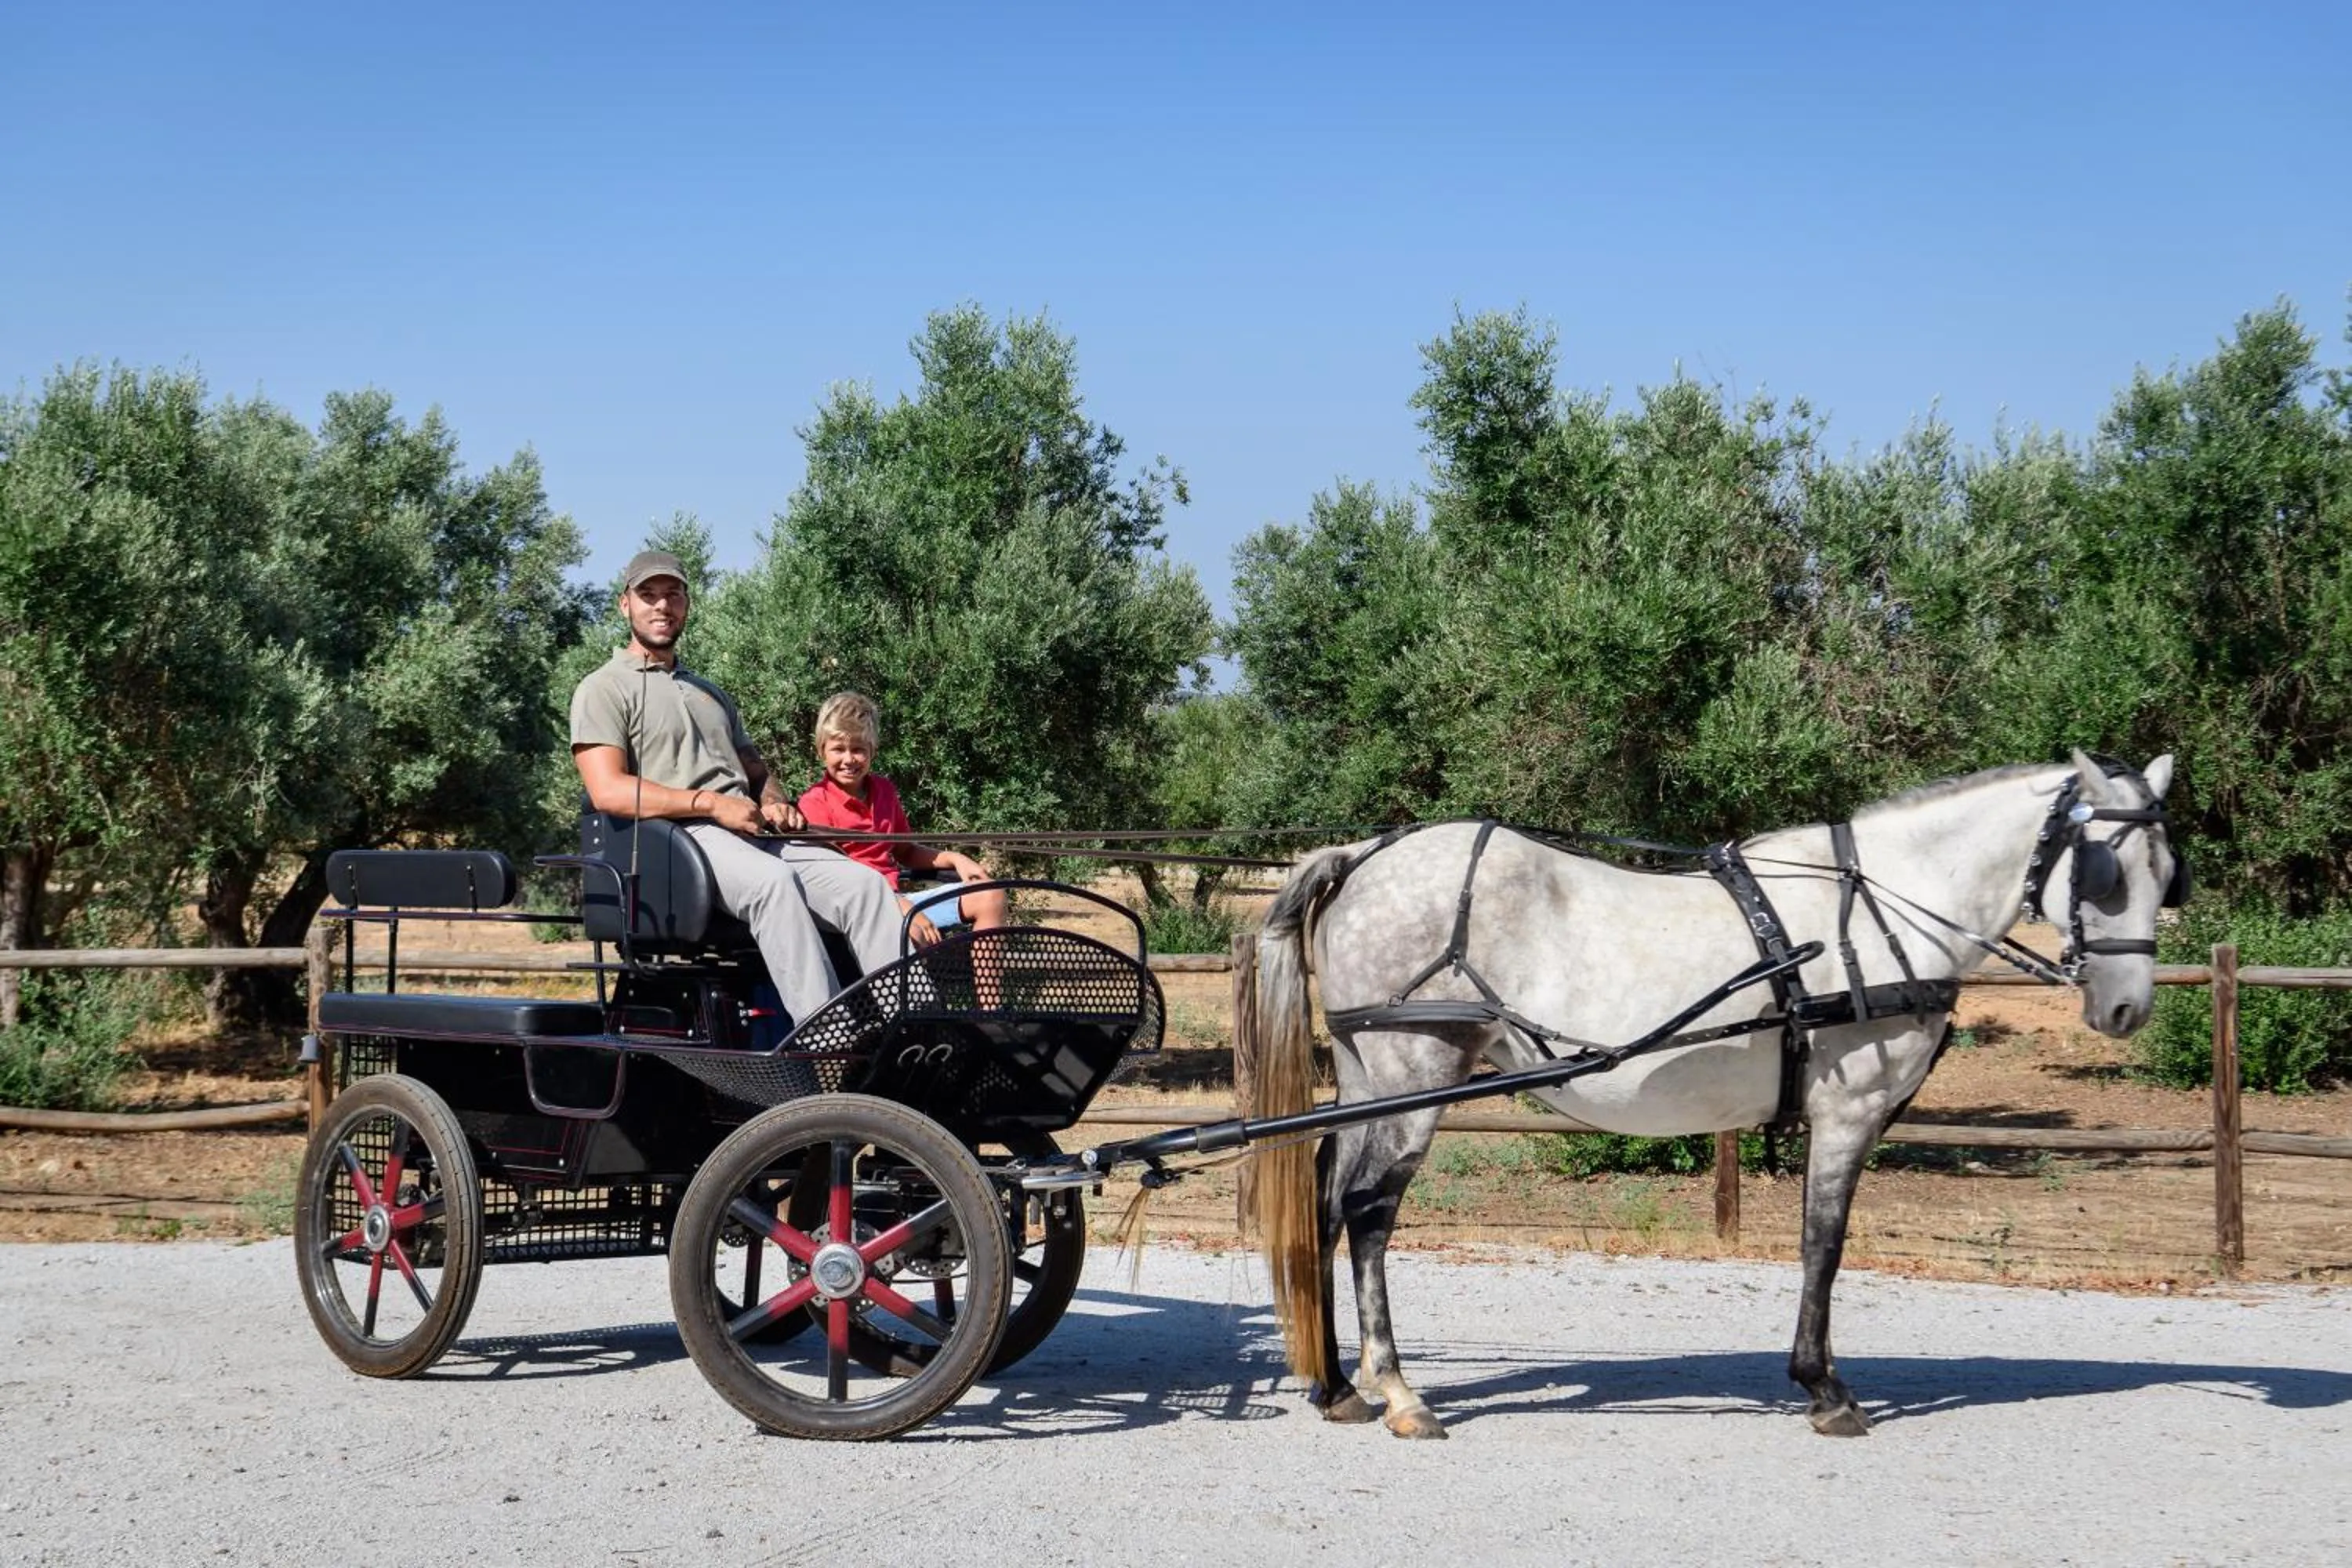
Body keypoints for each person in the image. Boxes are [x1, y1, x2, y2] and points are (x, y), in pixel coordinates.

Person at [569, 550, 903, 1029]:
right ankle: (829, 1041)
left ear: (686, 604)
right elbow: (609, 791)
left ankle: (908, 1032)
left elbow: (757, 772)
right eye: (648, 596)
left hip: (753, 833)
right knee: (773, 885)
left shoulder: (711, 692)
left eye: (673, 595)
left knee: (865, 886)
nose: (662, 607)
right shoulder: (603, 688)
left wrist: (774, 801)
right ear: (625, 605)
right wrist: (711, 805)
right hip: (683, 837)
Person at [796, 691, 1009, 948]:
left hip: (898, 900)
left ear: (872, 751)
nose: (849, 759)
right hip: (858, 908)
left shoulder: (884, 791)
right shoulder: (814, 802)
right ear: (822, 751)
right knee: (911, 934)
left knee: (991, 895)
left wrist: (955, 859)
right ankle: (911, 987)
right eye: (838, 749)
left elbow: (905, 851)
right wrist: (901, 906)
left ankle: (986, 990)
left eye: (858, 750)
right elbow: (836, 879)